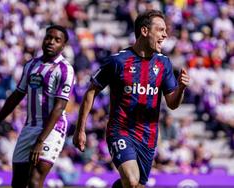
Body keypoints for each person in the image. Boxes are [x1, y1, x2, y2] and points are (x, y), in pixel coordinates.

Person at [73, 9, 190, 188]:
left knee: (135, 186)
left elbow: (172, 104)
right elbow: (91, 91)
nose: (165, 35)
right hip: (120, 131)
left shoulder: (163, 63)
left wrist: (181, 88)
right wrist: (80, 129)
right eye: (160, 30)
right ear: (144, 31)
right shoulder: (118, 61)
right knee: (132, 181)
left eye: (165, 30)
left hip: (148, 137)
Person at [0, 24, 75, 188]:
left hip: (52, 129)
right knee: (17, 183)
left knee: (35, 180)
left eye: (57, 40)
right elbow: (16, 96)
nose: (51, 42)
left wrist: (40, 141)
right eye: (48, 37)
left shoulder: (65, 70)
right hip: (29, 127)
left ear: (63, 45)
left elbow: (59, 108)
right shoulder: (31, 65)